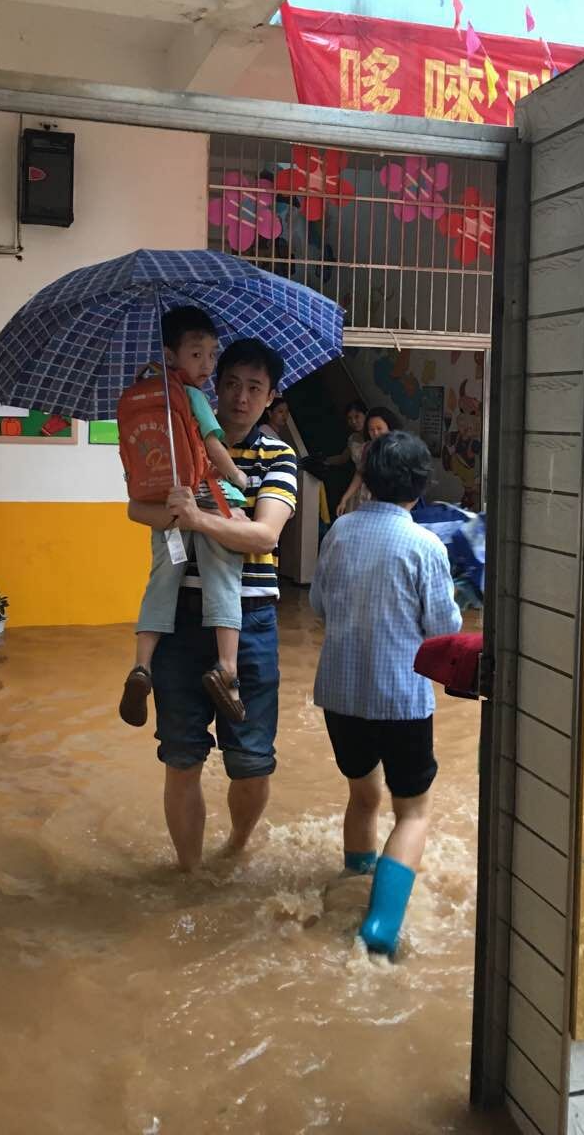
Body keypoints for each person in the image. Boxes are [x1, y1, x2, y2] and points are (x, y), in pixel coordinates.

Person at [127, 339, 297, 872]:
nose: (241, 397)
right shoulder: (178, 439)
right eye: (232, 384)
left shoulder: (277, 457)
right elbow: (138, 508)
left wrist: (197, 518)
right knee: (180, 755)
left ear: (270, 397)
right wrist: (183, 507)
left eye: (255, 388)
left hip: (251, 621)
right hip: (181, 618)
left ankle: (237, 846)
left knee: (252, 761)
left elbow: (264, 535)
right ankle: (190, 872)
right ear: (214, 387)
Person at [310, 430, 462, 955]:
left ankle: (355, 879)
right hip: (401, 700)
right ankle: (380, 924)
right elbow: (443, 629)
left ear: (368, 480)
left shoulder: (339, 532)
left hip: (340, 695)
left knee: (362, 795)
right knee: (413, 811)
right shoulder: (426, 546)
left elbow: (319, 607)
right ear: (420, 486)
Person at [118, 307, 251, 729]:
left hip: (166, 503)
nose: (207, 364)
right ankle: (226, 668)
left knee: (161, 580)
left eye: (212, 354)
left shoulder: (143, 393)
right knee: (223, 576)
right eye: (197, 354)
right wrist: (237, 477)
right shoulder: (191, 396)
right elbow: (212, 445)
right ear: (170, 355)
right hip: (206, 498)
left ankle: (142, 666)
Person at [335, 406, 401, 518]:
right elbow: (360, 473)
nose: (375, 433)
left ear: (389, 427)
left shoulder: (399, 449)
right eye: (371, 430)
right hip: (366, 496)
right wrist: (344, 498)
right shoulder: (368, 447)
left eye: (379, 428)